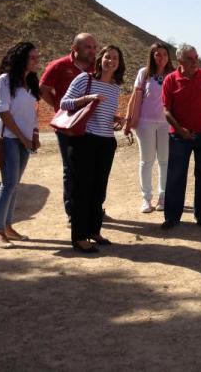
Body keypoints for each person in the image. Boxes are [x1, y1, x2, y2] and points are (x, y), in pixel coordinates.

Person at [60, 45, 125, 253]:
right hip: (84, 140)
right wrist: (88, 98)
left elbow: (103, 112)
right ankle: (79, 237)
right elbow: (64, 103)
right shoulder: (84, 79)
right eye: (107, 57)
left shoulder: (115, 87)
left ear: (119, 63)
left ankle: (94, 231)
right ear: (100, 59)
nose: (111, 61)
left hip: (106, 142)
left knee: (99, 189)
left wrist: (116, 119)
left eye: (115, 58)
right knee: (82, 189)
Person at [40, 33, 97, 222]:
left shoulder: (96, 67)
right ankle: (72, 211)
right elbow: (44, 89)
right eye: (88, 47)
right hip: (68, 126)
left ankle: (91, 207)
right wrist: (58, 108)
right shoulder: (59, 65)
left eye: (94, 47)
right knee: (71, 168)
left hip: (91, 125)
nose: (92, 51)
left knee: (91, 167)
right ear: (75, 49)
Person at [161, 44, 201, 229]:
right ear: (180, 61)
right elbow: (166, 111)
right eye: (190, 59)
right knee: (176, 176)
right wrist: (180, 129)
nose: (195, 61)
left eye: (196, 57)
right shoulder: (170, 80)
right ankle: (172, 217)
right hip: (179, 137)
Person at [0, 42, 41, 248]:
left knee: (15, 184)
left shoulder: (30, 81)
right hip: (11, 139)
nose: (36, 61)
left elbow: (32, 111)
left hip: (25, 140)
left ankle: (9, 226)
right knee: (9, 183)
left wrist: (35, 133)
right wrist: (22, 137)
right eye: (32, 57)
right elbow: (3, 111)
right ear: (21, 58)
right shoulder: (5, 80)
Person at [124, 43, 174, 213]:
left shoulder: (173, 75)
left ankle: (164, 196)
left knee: (165, 161)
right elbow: (135, 97)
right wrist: (130, 119)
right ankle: (146, 199)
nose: (162, 58)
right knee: (147, 161)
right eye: (158, 54)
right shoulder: (144, 74)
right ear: (152, 56)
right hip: (145, 122)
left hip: (166, 123)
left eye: (165, 54)